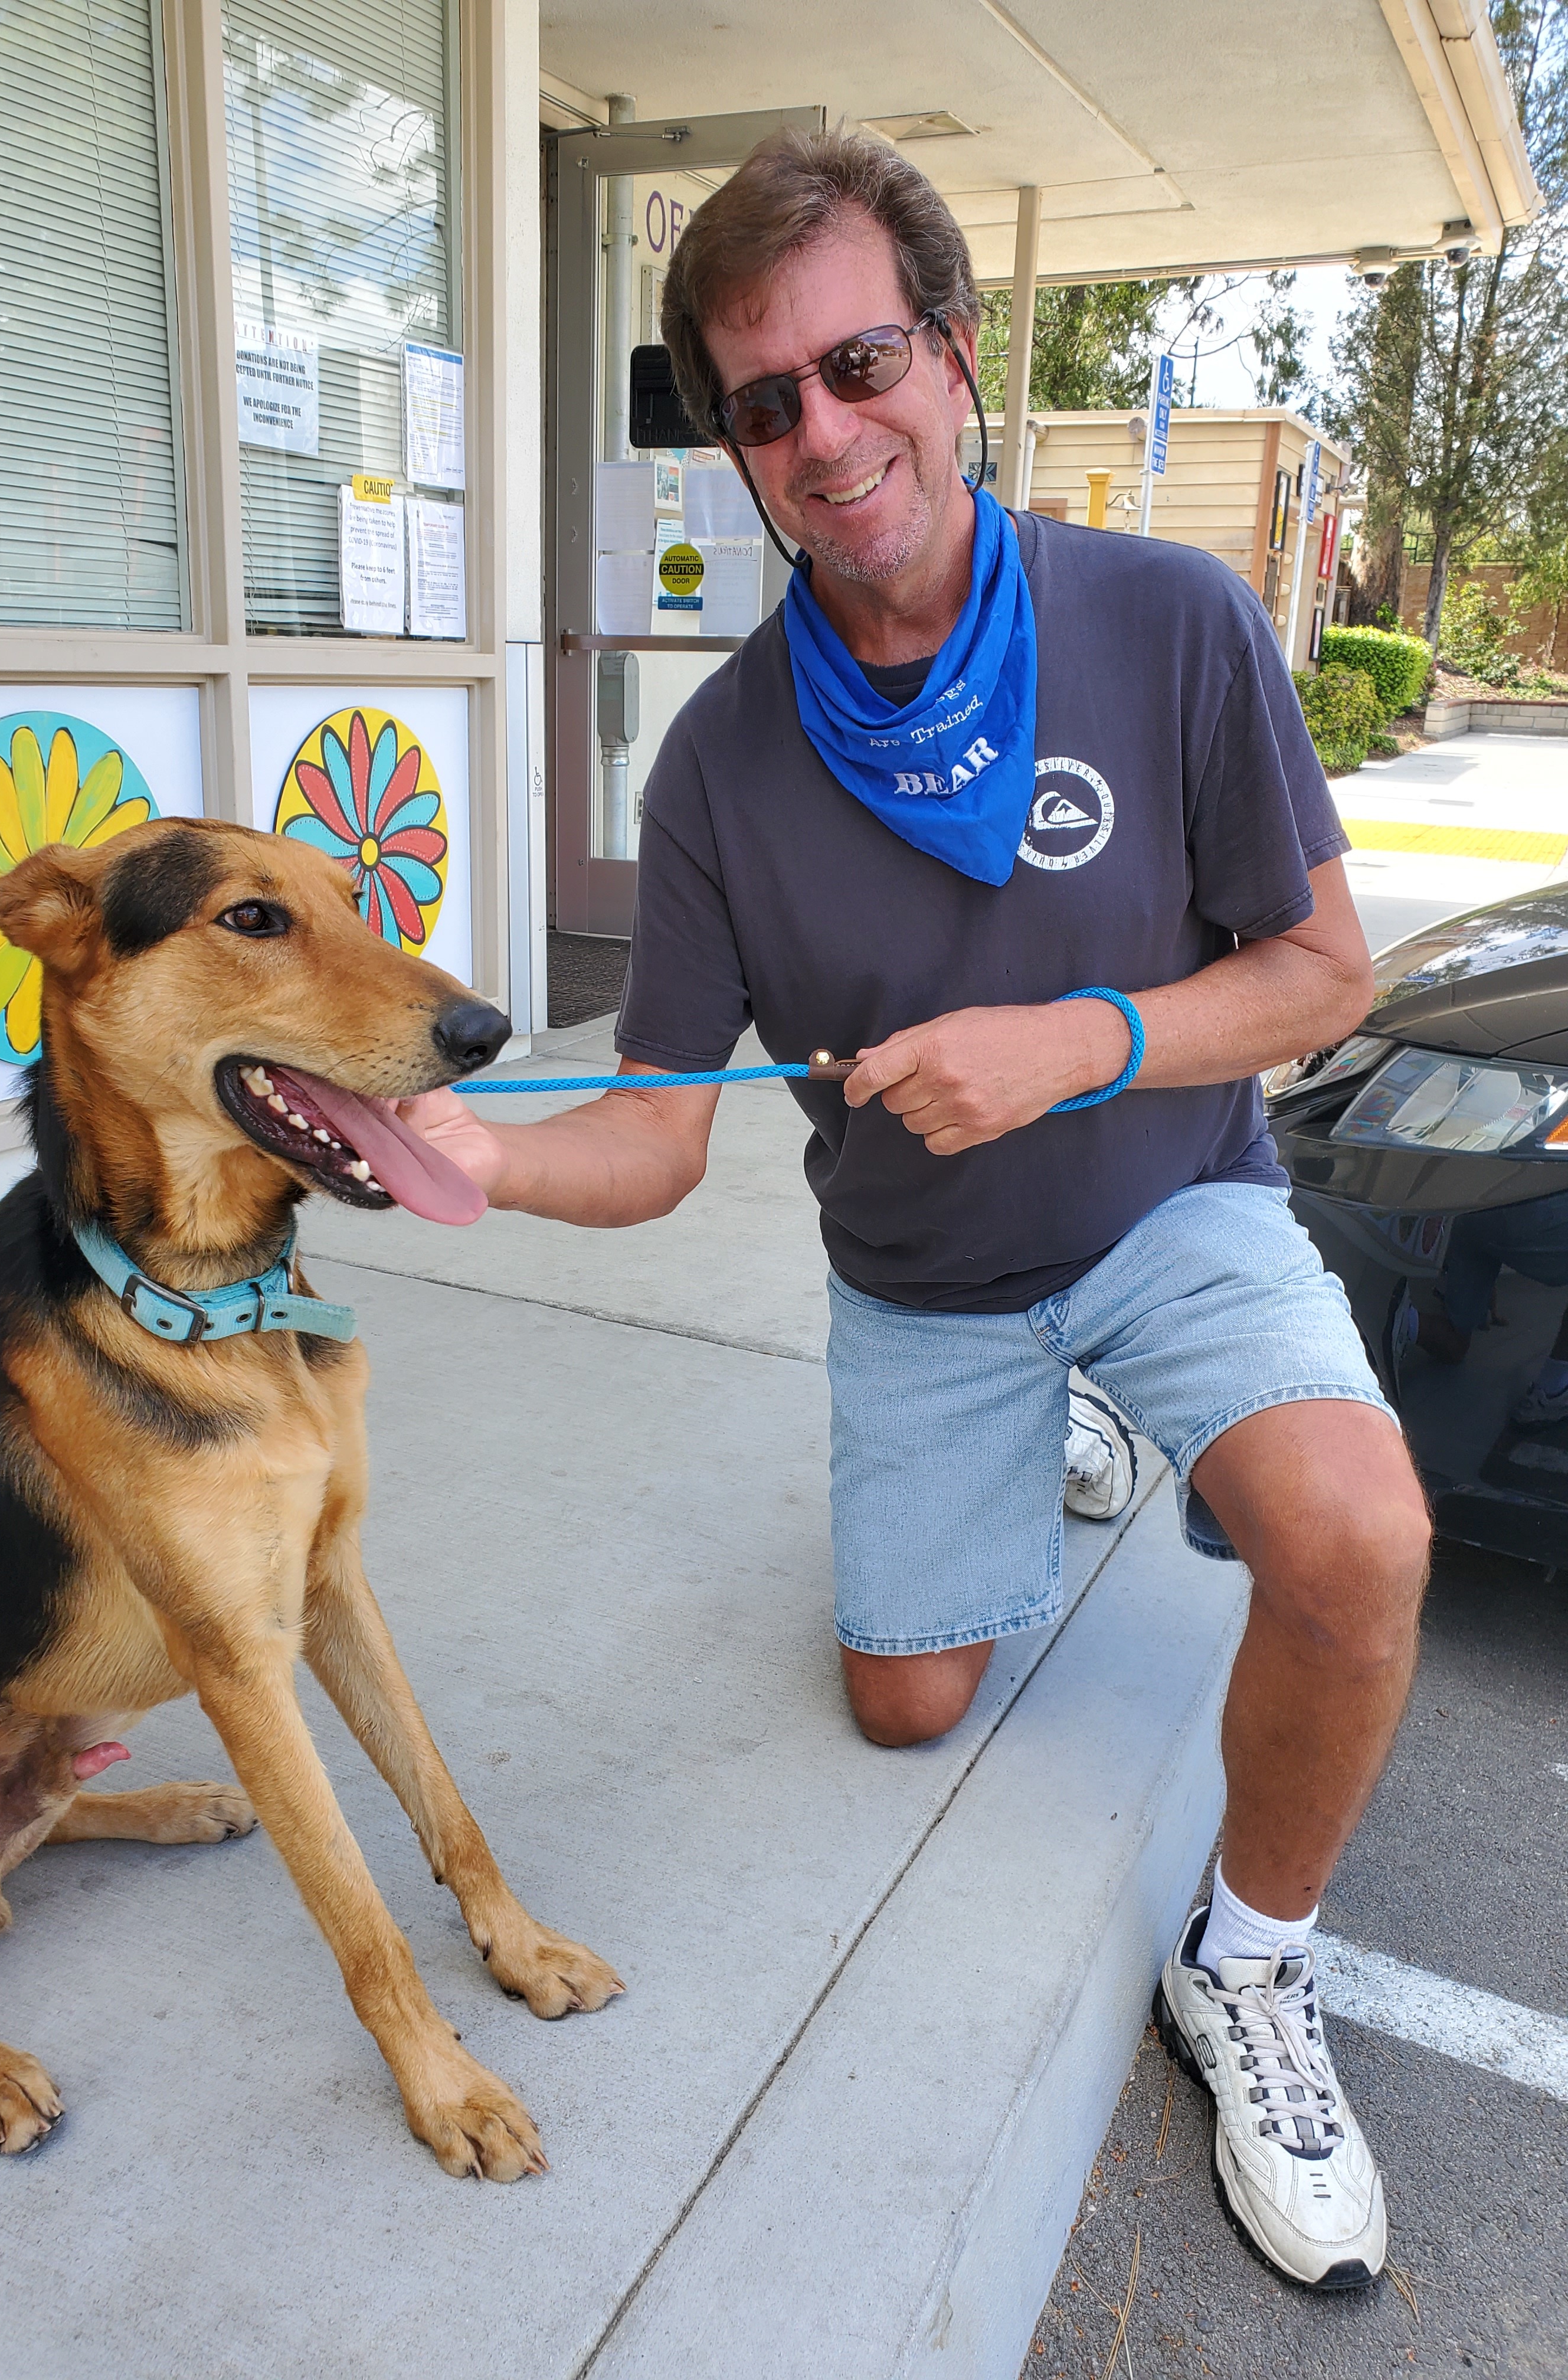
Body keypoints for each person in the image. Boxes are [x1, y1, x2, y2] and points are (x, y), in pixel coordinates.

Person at [407, 128, 1429, 2291]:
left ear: (956, 359)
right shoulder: (717, 765)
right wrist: (471, 1158)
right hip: (928, 1287)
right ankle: (1068, 1423)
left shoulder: (1172, 619)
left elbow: (1325, 977)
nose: (821, 430)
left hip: (1172, 1202)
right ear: (742, 453)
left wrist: (1076, 1042)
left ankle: (1248, 1964)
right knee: (907, 1707)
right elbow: (663, 1131)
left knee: (1353, 1539)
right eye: (763, 402)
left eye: (858, 361)